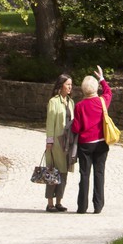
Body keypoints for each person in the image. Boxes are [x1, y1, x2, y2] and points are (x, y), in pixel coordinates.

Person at [71, 65, 112, 214]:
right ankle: (98, 205)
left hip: (85, 145)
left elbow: (76, 127)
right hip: (101, 143)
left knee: (84, 174)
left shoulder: (79, 106)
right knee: (99, 174)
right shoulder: (102, 101)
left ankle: (82, 206)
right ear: (95, 88)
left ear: (82, 89)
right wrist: (102, 79)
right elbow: (108, 92)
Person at [43, 71, 75, 212]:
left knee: (64, 171)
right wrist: (49, 141)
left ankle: (59, 201)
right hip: (56, 142)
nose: (70, 87)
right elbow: (50, 123)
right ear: (61, 85)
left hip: (67, 142)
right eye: (68, 84)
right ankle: (50, 202)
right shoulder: (53, 102)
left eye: (71, 85)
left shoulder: (71, 102)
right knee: (53, 170)